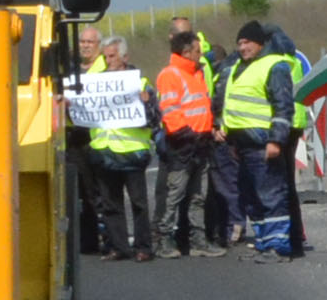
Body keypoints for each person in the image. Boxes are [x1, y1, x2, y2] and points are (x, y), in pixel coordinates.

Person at [221, 21, 310, 259]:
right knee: (252, 198)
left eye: (247, 42)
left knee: (272, 196)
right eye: (239, 43)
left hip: (263, 142)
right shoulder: (240, 67)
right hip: (243, 143)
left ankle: (277, 246)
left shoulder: (274, 66)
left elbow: (283, 107)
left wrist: (276, 141)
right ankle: (263, 242)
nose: (242, 47)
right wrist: (229, 137)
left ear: (260, 43)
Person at [79, 40, 156, 260]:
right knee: (111, 204)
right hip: (105, 151)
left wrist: (145, 104)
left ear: (124, 57)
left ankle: (143, 247)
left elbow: (154, 119)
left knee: (139, 203)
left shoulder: (140, 83)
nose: (107, 61)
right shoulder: (95, 83)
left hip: (132, 152)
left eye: (112, 56)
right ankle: (119, 247)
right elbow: (83, 112)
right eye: (105, 56)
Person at [150, 22, 221, 256]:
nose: (201, 55)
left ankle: (197, 240)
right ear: (186, 52)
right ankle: (163, 240)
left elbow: (201, 105)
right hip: (182, 145)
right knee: (174, 196)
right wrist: (188, 136)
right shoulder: (170, 75)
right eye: (198, 51)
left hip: (200, 143)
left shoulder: (196, 72)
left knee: (197, 197)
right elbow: (171, 112)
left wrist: (208, 130)